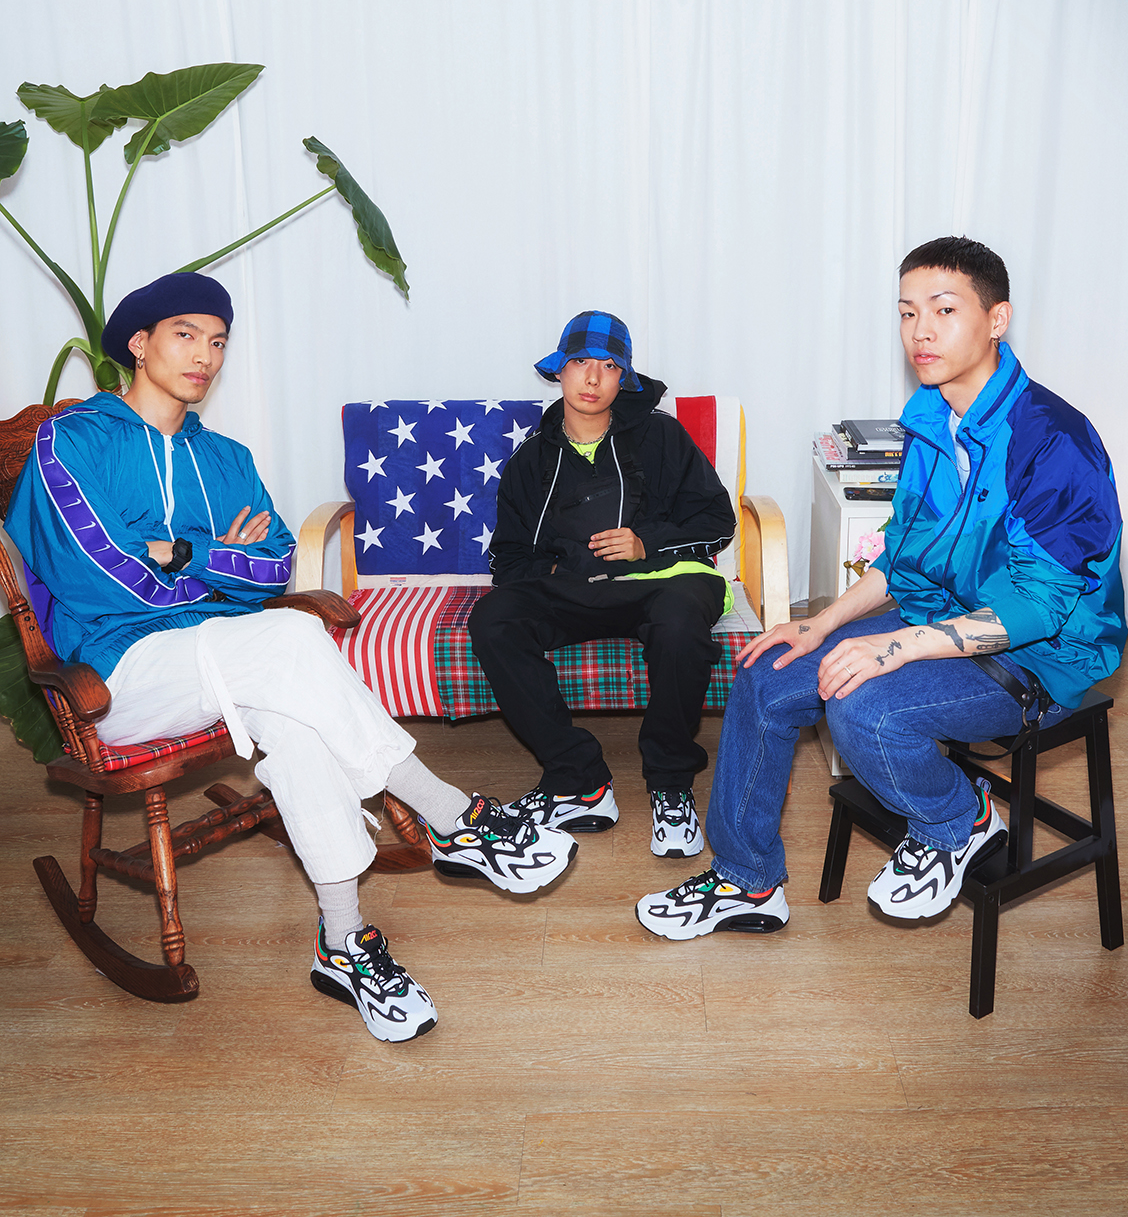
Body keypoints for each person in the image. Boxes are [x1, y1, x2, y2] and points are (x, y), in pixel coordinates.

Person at [6, 272, 575, 1042]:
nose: (205, 356)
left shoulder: (229, 458)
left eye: (218, 342)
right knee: (290, 638)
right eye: (185, 335)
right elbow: (95, 571)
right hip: (118, 675)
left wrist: (180, 552)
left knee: (299, 721)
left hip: (234, 662)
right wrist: (216, 563)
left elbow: (274, 566)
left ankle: (343, 940)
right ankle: (451, 814)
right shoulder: (72, 441)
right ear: (138, 343)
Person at [637, 237, 1125, 939]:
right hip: (942, 618)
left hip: (1039, 658)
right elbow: (902, 555)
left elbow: (1038, 607)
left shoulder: (1053, 440)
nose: (920, 330)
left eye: (944, 309)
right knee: (767, 670)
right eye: (906, 312)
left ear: (996, 319)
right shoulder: (930, 418)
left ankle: (961, 819)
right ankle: (747, 879)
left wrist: (897, 646)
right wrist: (822, 623)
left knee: (862, 706)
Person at [468, 312, 737, 858]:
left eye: (609, 366)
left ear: (624, 378)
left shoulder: (660, 434)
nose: (592, 378)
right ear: (559, 372)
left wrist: (646, 542)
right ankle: (579, 779)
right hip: (577, 590)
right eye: (580, 363)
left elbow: (718, 519)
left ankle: (671, 785)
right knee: (494, 618)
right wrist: (550, 575)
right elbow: (509, 555)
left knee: (680, 622)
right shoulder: (529, 461)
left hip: (666, 580)